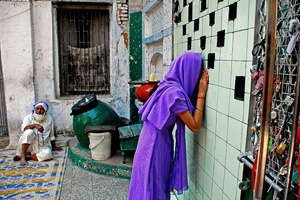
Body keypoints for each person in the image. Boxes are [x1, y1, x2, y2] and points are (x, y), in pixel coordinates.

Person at [128, 51, 209, 200]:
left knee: (147, 186)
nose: (197, 80)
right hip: (156, 147)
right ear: (188, 72)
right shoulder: (175, 95)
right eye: (196, 74)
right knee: (154, 189)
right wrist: (201, 93)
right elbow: (195, 126)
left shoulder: (166, 85)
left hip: (147, 142)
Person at [13, 101, 62, 166]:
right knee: (29, 131)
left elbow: (51, 134)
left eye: (41, 109)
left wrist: (54, 146)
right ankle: (23, 155)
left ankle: (26, 157)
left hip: (41, 145)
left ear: (45, 111)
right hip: (28, 145)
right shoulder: (28, 117)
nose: (39, 111)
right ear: (34, 109)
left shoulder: (49, 118)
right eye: (37, 109)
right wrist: (34, 125)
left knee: (48, 154)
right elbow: (24, 128)